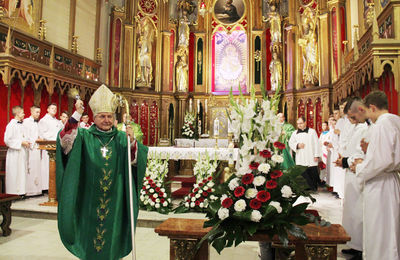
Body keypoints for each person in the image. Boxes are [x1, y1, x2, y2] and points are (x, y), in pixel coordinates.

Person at [56, 85, 148, 260]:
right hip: (88, 199)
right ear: (94, 117)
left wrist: (133, 142)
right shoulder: (83, 136)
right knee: (90, 238)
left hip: (116, 198)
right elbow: (64, 141)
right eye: (102, 116)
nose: (106, 120)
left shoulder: (122, 138)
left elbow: (135, 161)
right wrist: (76, 115)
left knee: (112, 237)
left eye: (109, 116)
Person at [350, 91, 400, 260]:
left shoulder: (382, 124)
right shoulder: (395, 121)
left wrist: (359, 167)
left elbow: (381, 160)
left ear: (372, 107)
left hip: (380, 184)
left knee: (380, 231)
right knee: (388, 229)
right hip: (389, 181)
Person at [334, 98, 368, 259]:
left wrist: (346, 161)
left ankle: (361, 246)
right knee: (351, 209)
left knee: (359, 210)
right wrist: (344, 158)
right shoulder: (355, 127)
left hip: (358, 173)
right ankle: (354, 243)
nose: (349, 120)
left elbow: (361, 154)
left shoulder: (363, 128)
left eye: (351, 116)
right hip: (351, 173)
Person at [288, 116, 321, 190]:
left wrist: (316, 155)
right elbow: (290, 143)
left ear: (305, 122)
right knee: (302, 172)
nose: (299, 125)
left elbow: (316, 144)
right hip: (301, 155)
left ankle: (313, 187)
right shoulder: (295, 133)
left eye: (301, 123)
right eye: (298, 124)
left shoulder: (312, 132)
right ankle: (305, 188)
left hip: (311, 155)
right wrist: (297, 145)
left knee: (312, 171)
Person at [4, 105, 29, 195]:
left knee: (21, 172)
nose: (24, 114)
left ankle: (21, 191)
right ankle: (13, 192)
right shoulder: (11, 125)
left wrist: (26, 141)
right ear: (17, 114)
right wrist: (21, 143)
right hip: (14, 153)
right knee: (14, 172)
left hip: (21, 152)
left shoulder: (22, 125)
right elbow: (7, 140)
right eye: (22, 112)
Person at [38, 103, 63, 191]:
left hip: (57, 146)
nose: (54, 110)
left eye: (55, 109)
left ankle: (55, 188)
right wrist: (52, 139)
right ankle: (46, 187)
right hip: (48, 147)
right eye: (52, 108)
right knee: (47, 167)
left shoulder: (57, 121)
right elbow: (42, 133)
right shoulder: (43, 120)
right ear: (48, 109)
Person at [22, 105, 42, 196]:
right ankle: (29, 190)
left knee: (36, 168)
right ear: (31, 111)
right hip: (30, 147)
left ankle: (36, 190)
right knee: (30, 168)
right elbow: (25, 135)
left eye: (39, 112)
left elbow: (38, 134)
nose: (38, 114)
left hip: (37, 148)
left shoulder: (37, 123)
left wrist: (39, 138)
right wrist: (33, 141)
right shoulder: (26, 122)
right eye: (37, 112)